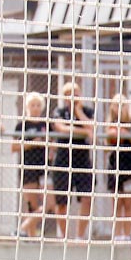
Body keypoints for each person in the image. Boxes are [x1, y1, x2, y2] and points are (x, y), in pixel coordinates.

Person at [49, 81, 96, 241]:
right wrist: (83, 131)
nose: (73, 97)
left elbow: (93, 127)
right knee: (61, 201)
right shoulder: (59, 111)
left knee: (87, 198)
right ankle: (64, 236)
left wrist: (78, 112)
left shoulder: (87, 111)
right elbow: (61, 128)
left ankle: (80, 235)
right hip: (63, 159)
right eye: (69, 94)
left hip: (82, 159)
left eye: (75, 93)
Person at [12, 91, 53, 237]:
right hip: (28, 166)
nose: (35, 108)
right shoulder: (22, 125)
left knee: (49, 203)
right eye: (32, 105)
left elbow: (54, 145)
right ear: (27, 107)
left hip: (44, 167)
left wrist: (48, 147)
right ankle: (31, 237)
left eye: (38, 105)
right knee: (32, 204)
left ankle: (22, 228)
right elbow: (14, 147)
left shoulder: (46, 125)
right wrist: (31, 143)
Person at [103, 93, 131, 241]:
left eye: (122, 105)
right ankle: (116, 235)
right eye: (116, 105)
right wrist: (112, 134)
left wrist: (124, 133)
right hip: (115, 166)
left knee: (128, 203)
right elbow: (106, 147)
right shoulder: (109, 124)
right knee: (116, 203)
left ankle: (127, 235)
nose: (119, 108)